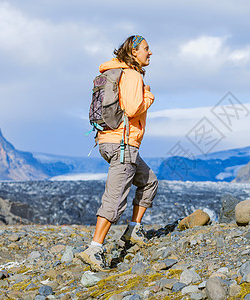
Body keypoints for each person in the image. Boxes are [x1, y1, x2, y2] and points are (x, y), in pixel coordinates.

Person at [78, 35, 158, 272]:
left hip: (110, 141)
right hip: (123, 144)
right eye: (146, 49)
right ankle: (95, 248)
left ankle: (133, 229)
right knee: (114, 199)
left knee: (149, 181)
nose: (150, 53)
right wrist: (149, 96)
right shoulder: (132, 75)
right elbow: (133, 109)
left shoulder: (116, 73)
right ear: (134, 52)